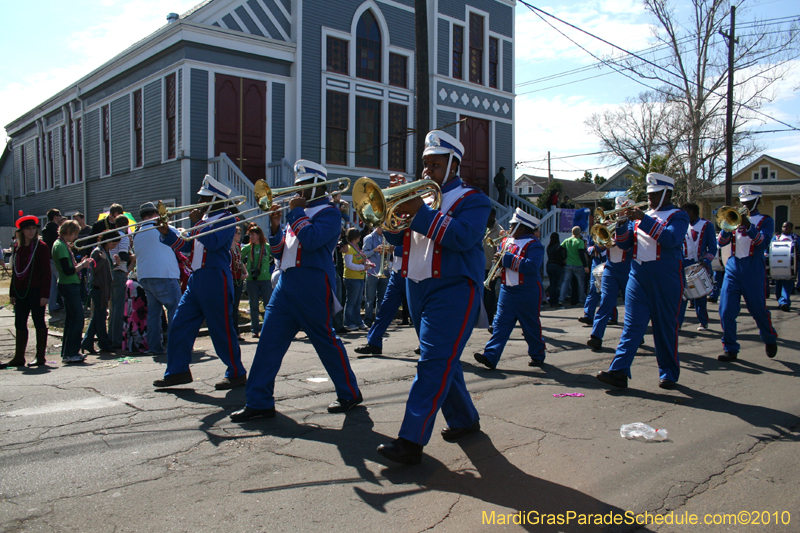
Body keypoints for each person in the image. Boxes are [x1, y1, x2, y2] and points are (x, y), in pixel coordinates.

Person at [376, 130, 491, 465]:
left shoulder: (473, 199)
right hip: (417, 286)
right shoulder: (421, 200)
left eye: (435, 165)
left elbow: (462, 237)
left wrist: (418, 211)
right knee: (441, 361)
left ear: (453, 165)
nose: (427, 172)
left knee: (432, 363)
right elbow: (398, 242)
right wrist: (391, 210)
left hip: (455, 288)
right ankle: (465, 420)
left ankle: (411, 440)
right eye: (425, 165)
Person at [230, 160, 363, 422]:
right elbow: (279, 252)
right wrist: (277, 226)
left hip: (313, 283)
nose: (297, 191)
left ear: (317, 186)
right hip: (286, 283)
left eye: (303, 186)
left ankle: (350, 392)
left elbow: (312, 240)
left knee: (325, 341)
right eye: (297, 185)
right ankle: (259, 400)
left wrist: (294, 214)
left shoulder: (330, 213)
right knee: (268, 342)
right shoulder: (296, 214)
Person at [596, 173, 689, 390]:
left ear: (667, 193)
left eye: (655, 194)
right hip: (637, 277)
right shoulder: (643, 216)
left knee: (665, 327)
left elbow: (670, 239)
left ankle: (668, 373)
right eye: (649, 194)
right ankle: (618, 371)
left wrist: (642, 218)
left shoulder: (678, 215)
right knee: (631, 327)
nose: (650, 199)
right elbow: (626, 244)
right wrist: (620, 225)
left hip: (665, 278)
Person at [152, 176, 246, 390]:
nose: (200, 202)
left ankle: (236, 372)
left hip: (215, 278)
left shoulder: (228, 219)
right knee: (179, 324)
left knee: (220, 328)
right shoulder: (203, 221)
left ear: (215, 199)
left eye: (204, 198)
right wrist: (167, 234)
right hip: (197, 279)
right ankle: (178, 370)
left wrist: (196, 223)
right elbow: (187, 247)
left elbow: (212, 243)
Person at [474, 208, 545, 369]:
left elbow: (533, 266)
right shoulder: (506, 241)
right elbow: (502, 262)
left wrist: (507, 259)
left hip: (528, 291)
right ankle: (490, 356)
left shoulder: (534, 245)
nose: (510, 228)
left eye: (513, 225)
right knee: (500, 325)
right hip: (507, 290)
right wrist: (498, 263)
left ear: (522, 227)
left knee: (530, 326)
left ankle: (538, 354)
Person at [717, 185, 779, 362]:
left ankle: (769, 338)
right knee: (726, 310)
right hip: (733, 266)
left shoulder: (766, 220)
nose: (746, 205)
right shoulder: (734, 219)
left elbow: (762, 243)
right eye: (743, 202)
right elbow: (721, 243)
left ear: (757, 200)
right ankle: (730, 348)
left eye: (750, 202)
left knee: (758, 310)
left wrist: (748, 225)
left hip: (753, 268)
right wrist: (727, 225)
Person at [1, 212, 51, 368]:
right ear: (22, 231)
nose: (31, 231)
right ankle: (19, 357)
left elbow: (46, 273)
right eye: (28, 229)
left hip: (36, 290)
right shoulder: (17, 247)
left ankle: (40, 356)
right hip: (21, 291)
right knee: (20, 323)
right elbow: (16, 271)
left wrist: (44, 295)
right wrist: (12, 293)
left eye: (33, 228)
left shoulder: (41, 247)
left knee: (38, 321)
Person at [133, 202, 182, 355]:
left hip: (145, 276)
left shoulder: (137, 232)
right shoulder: (160, 228)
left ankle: (155, 347)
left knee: (154, 313)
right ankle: (176, 345)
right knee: (176, 309)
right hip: (164, 274)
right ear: (155, 214)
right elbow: (181, 237)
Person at [586, 196, 633, 350]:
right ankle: (596, 336)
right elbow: (599, 249)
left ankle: (634, 335)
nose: (618, 214)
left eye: (621, 210)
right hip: (611, 268)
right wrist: (603, 234)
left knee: (631, 305)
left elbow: (625, 245)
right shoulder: (609, 226)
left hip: (628, 268)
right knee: (606, 302)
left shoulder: (633, 225)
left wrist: (617, 228)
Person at [353, 245, 410, 355]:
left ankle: (427, 343)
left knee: (418, 312)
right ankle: (374, 343)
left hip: (413, 272)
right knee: (385, 309)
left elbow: (418, 249)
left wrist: (395, 249)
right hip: (397, 272)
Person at [52, 220, 94, 363]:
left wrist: (79, 263)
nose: (75, 237)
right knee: (77, 319)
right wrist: (82, 265)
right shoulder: (61, 246)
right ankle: (71, 352)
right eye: (75, 234)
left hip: (68, 284)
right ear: (68, 232)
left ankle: (67, 352)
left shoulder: (62, 245)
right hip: (68, 285)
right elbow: (68, 270)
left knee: (71, 320)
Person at [677, 202, 717, 330]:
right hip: (684, 263)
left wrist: (706, 261)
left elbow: (712, 247)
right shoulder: (681, 225)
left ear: (694, 212)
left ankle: (703, 321)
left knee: (700, 295)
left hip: (699, 263)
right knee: (682, 295)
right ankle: (678, 323)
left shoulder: (706, 225)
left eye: (687, 211)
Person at [80, 232, 120, 355]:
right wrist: (102, 260)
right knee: (100, 317)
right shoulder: (97, 252)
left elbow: (106, 269)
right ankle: (104, 344)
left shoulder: (105, 252)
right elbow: (93, 270)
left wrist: (115, 264)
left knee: (99, 317)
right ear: (107, 241)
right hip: (97, 289)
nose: (114, 246)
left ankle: (88, 342)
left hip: (103, 289)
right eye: (113, 244)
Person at [242, 223, 273, 338]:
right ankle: (255, 329)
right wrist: (244, 271)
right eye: (250, 235)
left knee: (268, 304)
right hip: (251, 280)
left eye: (253, 235)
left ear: (259, 235)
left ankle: (268, 328)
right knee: (253, 305)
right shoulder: (247, 248)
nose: (251, 237)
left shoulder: (267, 247)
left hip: (265, 279)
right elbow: (237, 258)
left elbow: (277, 256)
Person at [108, 216, 132, 349]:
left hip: (111, 272)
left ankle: (111, 335)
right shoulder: (123, 237)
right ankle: (116, 339)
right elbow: (123, 255)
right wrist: (132, 257)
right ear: (126, 225)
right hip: (119, 271)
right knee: (118, 307)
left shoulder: (111, 235)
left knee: (113, 307)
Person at [342, 227, 371, 331]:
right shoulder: (349, 248)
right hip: (352, 278)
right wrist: (363, 267)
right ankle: (348, 322)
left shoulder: (356, 247)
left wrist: (367, 264)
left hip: (359, 277)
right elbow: (349, 264)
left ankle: (358, 321)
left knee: (358, 302)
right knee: (351, 301)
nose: (360, 237)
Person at [362, 226, 390, 326]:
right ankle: (368, 320)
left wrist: (387, 252)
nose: (384, 230)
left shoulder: (386, 238)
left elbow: (389, 255)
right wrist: (375, 250)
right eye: (383, 228)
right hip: (372, 272)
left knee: (382, 298)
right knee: (370, 298)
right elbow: (364, 254)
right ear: (377, 227)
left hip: (384, 271)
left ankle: (379, 320)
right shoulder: (369, 238)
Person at [558, 226, 589, 306]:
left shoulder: (567, 240)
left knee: (565, 282)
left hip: (569, 264)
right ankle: (582, 300)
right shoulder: (580, 242)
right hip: (578, 265)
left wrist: (563, 259)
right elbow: (581, 254)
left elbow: (559, 249)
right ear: (579, 233)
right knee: (580, 284)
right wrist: (585, 266)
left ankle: (561, 299)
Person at [483, 208, 504, 323]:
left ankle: (489, 320)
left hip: (489, 268)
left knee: (489, 297)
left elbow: (500, 252)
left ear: (493, 216)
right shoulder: (483, 228)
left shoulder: (499, 231)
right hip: (479, 267)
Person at [579, 238, 606, 325]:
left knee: (608, 291)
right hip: (596, 261)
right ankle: (588, 315)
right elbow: (588, 247)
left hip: (607, 260)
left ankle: (611, 316)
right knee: (593, 289)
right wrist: (593, 248)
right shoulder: (595, 233)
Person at [42, 208, 64, 315]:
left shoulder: (45, 229)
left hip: (48, 259)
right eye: (60, 216)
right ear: (55, 217)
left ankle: (52, 305)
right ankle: (68, 304)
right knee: (63, 281)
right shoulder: (56, 229)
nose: (61, 218)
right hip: (56, 259)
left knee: (52, 285)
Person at [771, 221, 797, 312]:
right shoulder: (776, 237)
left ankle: (784, 302)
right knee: (778, 286)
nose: (785, 228)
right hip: (776, 266)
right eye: (784, 226)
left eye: (787, 227)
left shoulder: (795, 238)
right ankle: (781, 302)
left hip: (790, 267)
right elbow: (770, 248)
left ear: (791, 228)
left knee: (787, 285)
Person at [230, 225, 248, 341]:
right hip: (230, 279)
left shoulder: (237, 247)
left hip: (238, 279)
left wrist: (245, 272)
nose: (240, 236)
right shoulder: (227, 246)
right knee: (229, 306)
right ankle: (231, 331)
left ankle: (236, 331)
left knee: (235, 306)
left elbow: (240, 262)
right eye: (238, 233)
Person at [545, 232, 565, 307]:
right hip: (556, 266)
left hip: (549, 265)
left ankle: (550, 300)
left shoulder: (549, 247)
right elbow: (561, 257)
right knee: (556, 284)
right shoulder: (558, 247)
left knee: (552, 284)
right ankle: (554, 301)